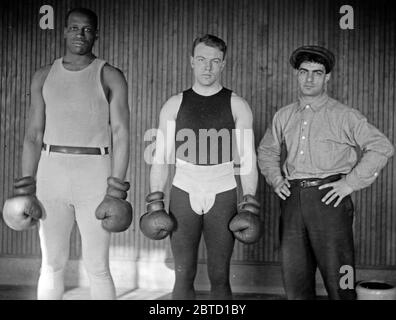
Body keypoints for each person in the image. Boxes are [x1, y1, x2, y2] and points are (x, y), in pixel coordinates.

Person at [2, 8, 132, 300]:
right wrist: (26, 186)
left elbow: (122, 134)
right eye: (74, 28)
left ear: (96, 34)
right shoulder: (43, 76)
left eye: (87, 29)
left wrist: (116, 189)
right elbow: (33, 135)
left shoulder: (110, 75)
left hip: (95, 174)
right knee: (51, 264)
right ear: (63, 31)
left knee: (97, 266)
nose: (80, 34)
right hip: (52, 174)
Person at [257, 45, 394, 300]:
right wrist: (276, 180)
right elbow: (267, 151)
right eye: (304, 72)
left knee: (339, 281)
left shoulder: (344, 115)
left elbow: (381, 147)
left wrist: (350, 183)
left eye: (317, 73)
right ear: (297, 75)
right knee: (295, 281)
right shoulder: (283, 116)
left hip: (330, 199)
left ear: (327, 77)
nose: (309, 78)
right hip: (292, 199)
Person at [139, 34, 263, 300]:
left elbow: (248, 160)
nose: (208, 67)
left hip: (223, 191)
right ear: (192, 61)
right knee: (183, 274)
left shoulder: (237, 104)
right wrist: (155, 201)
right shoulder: (174, 104)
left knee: (220, 275)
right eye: (202, 60)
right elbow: (161, 157)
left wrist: (250, 202)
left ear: (223, 65)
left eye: (215, 61)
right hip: (184, 190)